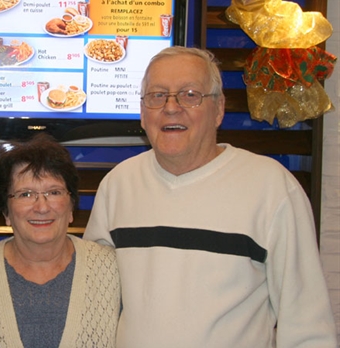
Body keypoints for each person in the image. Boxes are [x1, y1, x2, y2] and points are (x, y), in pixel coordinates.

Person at [83, 46, 338, 347]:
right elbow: (93, 302)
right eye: (157, 95)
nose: (171, 107)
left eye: (190, 94)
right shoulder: (117, 186)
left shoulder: (272, 188)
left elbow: (307, 324)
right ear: (142, 113)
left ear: (218, 110)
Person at [0, 133, 120, 348]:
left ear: (71, 207)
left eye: (54, 192)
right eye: (25, 194)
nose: (42, 207)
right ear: (5, 211)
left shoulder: (112, 268)